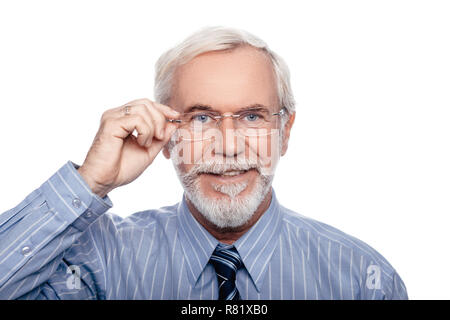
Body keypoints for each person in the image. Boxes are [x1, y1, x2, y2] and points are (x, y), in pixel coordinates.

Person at [0, 26, 407, 300]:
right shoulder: (97, 262)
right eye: (200, 118)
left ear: (285, 132)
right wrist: (89, 182)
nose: (228, 146)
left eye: (252, 116)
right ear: (165, 135)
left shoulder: (362, 280)